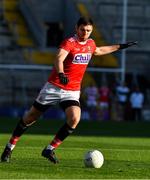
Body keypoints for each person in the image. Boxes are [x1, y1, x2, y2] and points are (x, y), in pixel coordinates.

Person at [0, 17, 137, 163]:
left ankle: (49, 149)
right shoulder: (69, 42)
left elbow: (99, 50)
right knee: (30, 118)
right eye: (82, 29)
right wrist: (61, 73)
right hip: (54, 87)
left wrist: (120, 46)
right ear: (76, 28)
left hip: (71, 91)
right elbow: (59, 58)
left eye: (88, 30)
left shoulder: (90, 44)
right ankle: (9, 147)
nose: (85, 33)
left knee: (75, 119)